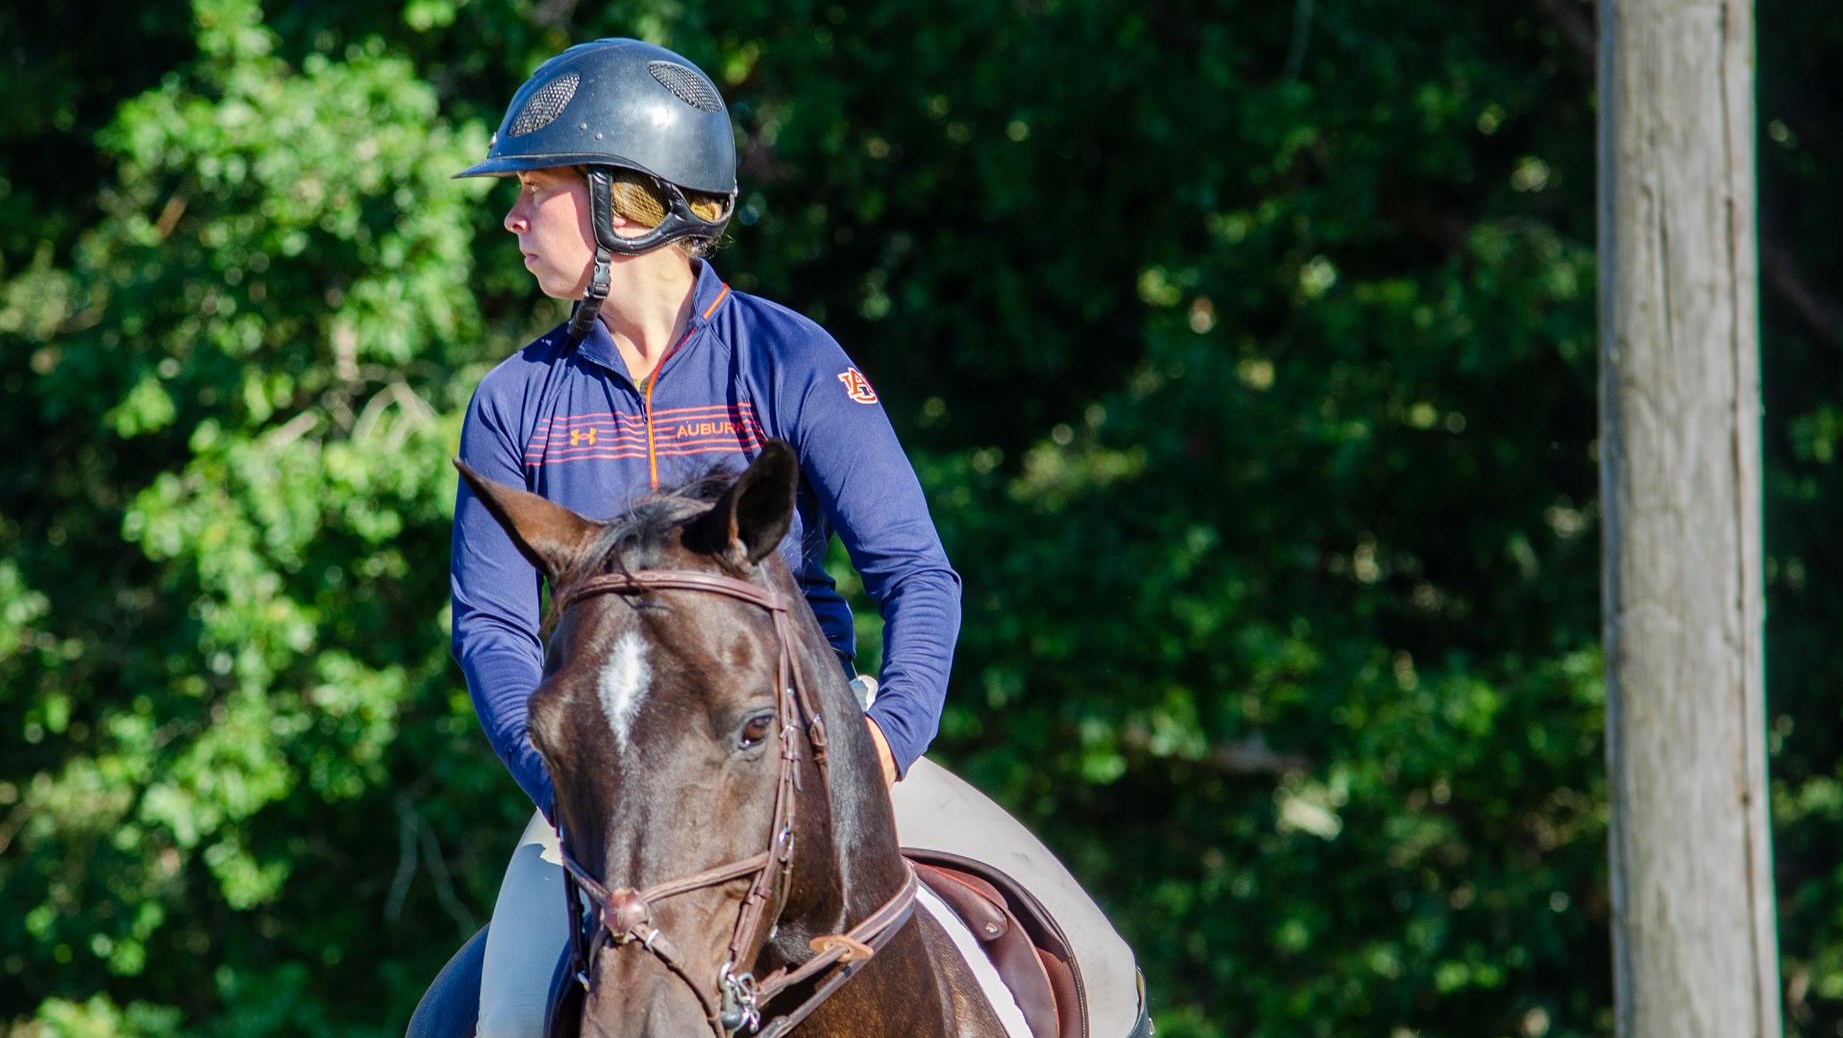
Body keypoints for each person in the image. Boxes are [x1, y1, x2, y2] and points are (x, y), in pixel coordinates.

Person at [444, 37, 1143, 1038]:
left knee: (1104, 971)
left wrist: (885, 739)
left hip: (814, 754)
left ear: (626, 203)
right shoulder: (511, 402)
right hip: (607, 792)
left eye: (536, 188)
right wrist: (562, 783)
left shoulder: (791, 359)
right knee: (495, 1020)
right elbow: (490, 632)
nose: (511, 215)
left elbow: (917, 576)